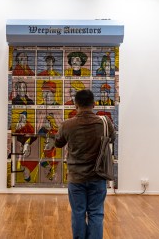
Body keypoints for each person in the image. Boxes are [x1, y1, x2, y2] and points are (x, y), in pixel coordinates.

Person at [55, 89, 116, 239]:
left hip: (76, 178)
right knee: (96, 213)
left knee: (78, 213)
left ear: (75, 104)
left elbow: (58, 143)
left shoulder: (67, 125)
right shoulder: (104, 122)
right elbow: (112, 139)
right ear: (94, 104)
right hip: (98, 175)